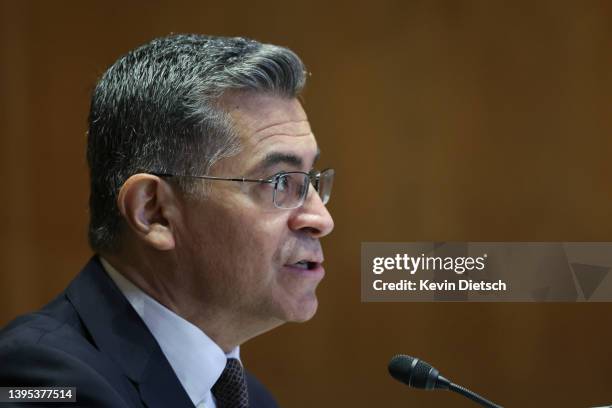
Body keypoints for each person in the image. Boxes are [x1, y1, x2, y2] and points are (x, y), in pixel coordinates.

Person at [0, 34, 334, 407]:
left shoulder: (249, 398)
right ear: (154, 212)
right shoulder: (43, 379)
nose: (321, 218)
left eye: (313, 182)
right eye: (279, 182)